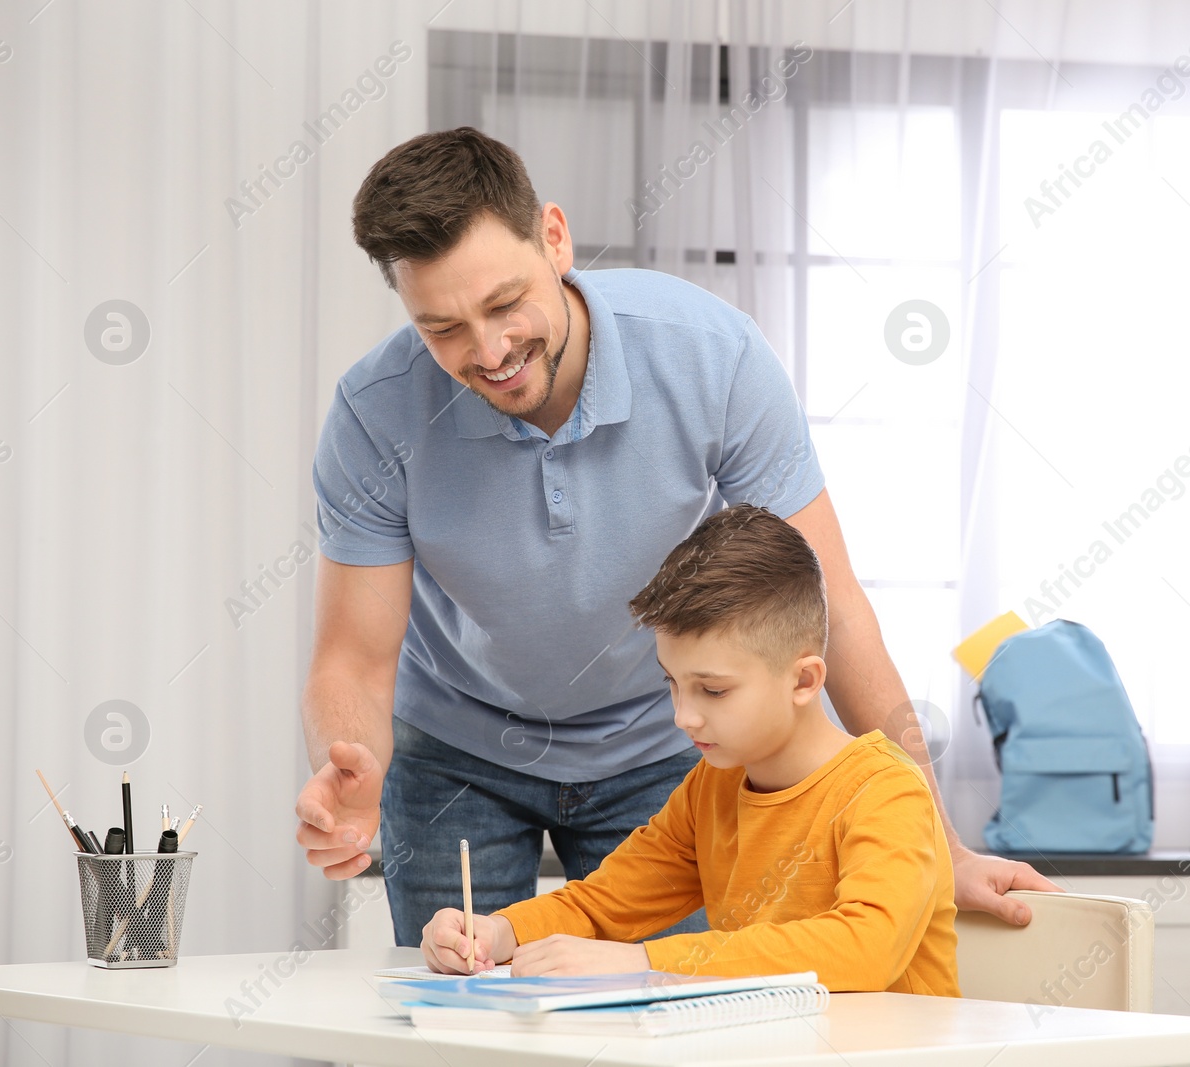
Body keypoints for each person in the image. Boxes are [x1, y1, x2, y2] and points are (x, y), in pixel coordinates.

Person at [294, 126, 1057, 946]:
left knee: (678, 1007)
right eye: (442, 328)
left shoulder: (711, 357)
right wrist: (352, 765)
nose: (490, 351)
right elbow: (354, 659)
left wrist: (939, 841)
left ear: (554, 238)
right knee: (456, 997)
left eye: (505, 303)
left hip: (663, 744)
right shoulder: (376, 413)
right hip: (457, 749)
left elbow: (832, 606)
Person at [421, 505, 958, 994]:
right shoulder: (712, 785)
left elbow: (864, 950)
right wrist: (497, 932)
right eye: (672, 683)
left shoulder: (886, 790)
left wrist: (643, 962)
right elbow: (605, 902)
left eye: (714, 690)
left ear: (804, 681)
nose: (684, 716)